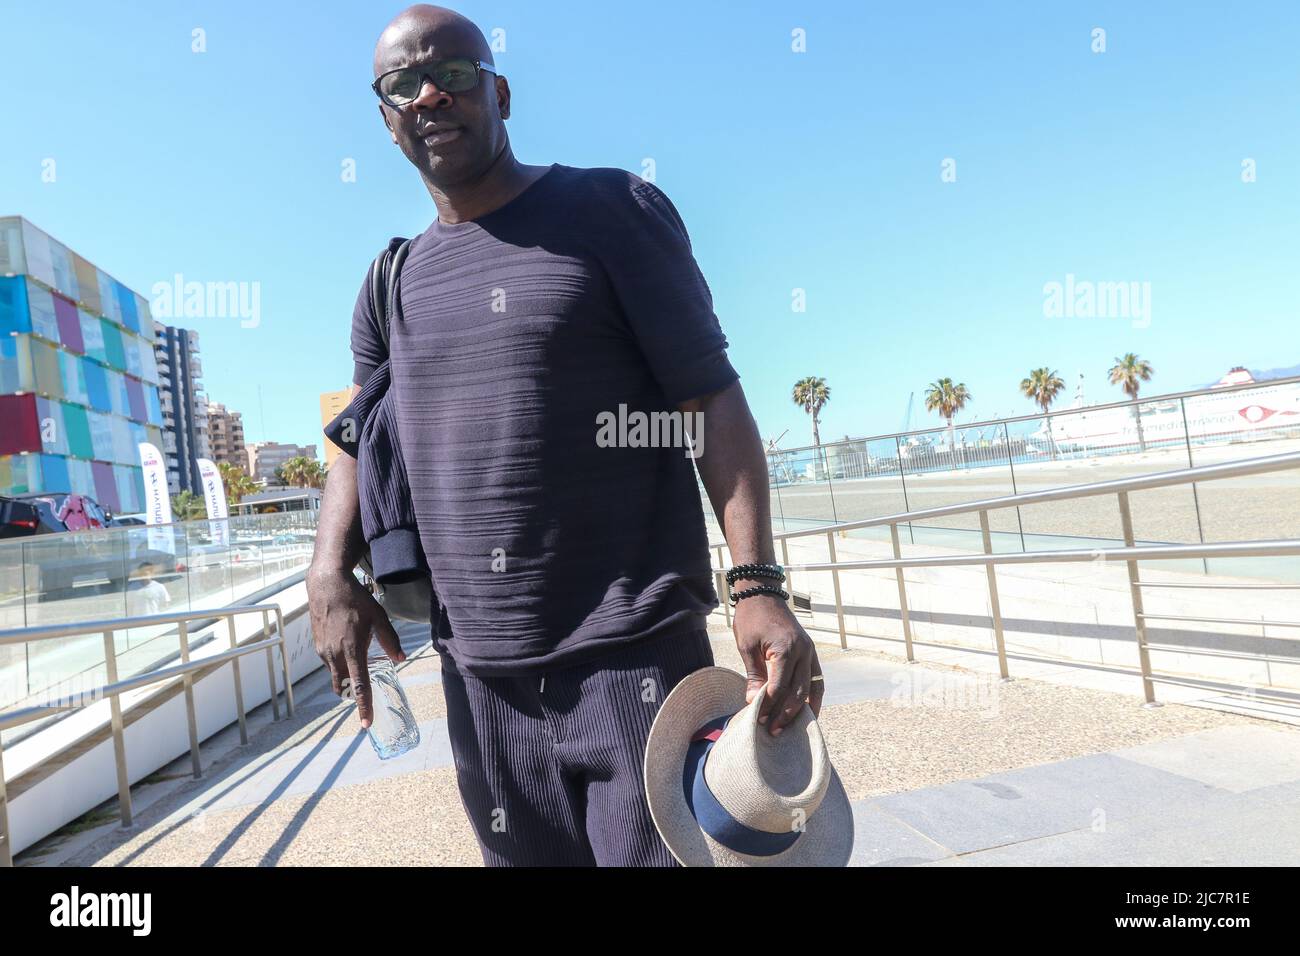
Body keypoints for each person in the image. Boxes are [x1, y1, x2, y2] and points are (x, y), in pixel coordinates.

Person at [307, 3, 826, 867]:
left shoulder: (610, 209)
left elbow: (711, 400)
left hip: (636, 661)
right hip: (477, 683)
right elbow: (357, 443)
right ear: (386, 119)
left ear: (501, 93)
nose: (431, 94)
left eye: (456, 74)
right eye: (404, 84)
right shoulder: (388, 282)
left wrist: (757, 585)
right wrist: (327, 567)